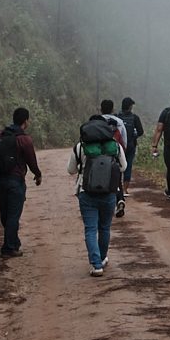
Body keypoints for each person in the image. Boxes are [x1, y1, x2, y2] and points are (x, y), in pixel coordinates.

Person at [69, 110, 124, 275]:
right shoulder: (114, 145)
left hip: (87, 193)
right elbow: (124, 167)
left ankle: (96, 264)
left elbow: (70, 170)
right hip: (109, 193)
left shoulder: (81, 146)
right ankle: (103, 257)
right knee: (105, 227)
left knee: (91, 229)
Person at [0, 107, 42, 258]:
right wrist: (38, 174)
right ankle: (8, 248)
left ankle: (13, 242)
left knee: (6, 214)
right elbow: (31, 161)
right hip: (15, 181)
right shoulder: (24, 139)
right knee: (14, 215)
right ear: (25, 121)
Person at [115, 96, 144, 213]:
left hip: (119, 146)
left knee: (117, 166)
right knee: (128, 165)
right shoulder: (134, 117)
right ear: (130, 106)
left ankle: (117, 188)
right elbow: (141, 131)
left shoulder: (117, 117)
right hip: (131, 146)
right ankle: (125, 190)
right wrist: (134, 136)